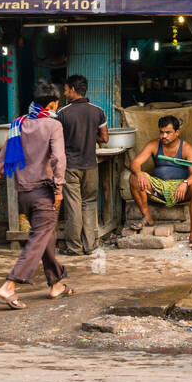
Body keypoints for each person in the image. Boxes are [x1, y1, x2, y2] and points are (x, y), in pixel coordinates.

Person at [0, 81, 72, 309]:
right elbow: (59, 159)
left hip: (23, 193)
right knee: (38, 239)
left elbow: (2, 159)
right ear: (53, 103)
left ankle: (56, 284)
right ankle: (9, 286)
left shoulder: (18, 124)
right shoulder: (53, 125)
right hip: (44, 192)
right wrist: (59, 188)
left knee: (46, 237)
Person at [128, 115, 192, 246]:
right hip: (158, 186)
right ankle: (147, 217)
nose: (164, 136)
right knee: (133, 178)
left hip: (179, 189)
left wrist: (185, 183)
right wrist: (139, 173)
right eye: (162, 132)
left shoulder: (186, 148)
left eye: (168, 132)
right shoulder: (153, 144)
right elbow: (135, 162)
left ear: (177, 132)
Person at [56, 75, 108, 256]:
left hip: (71, 166)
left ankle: (74, 247)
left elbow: (56, 140)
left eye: (65, 90)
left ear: (71, 89)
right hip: (91, 164)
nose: (64, 93)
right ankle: (90, 246)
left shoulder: (62, 113)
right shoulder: (98, 111)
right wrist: (90, 136)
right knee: (89, 203)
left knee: (73, 206)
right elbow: (104, 138)